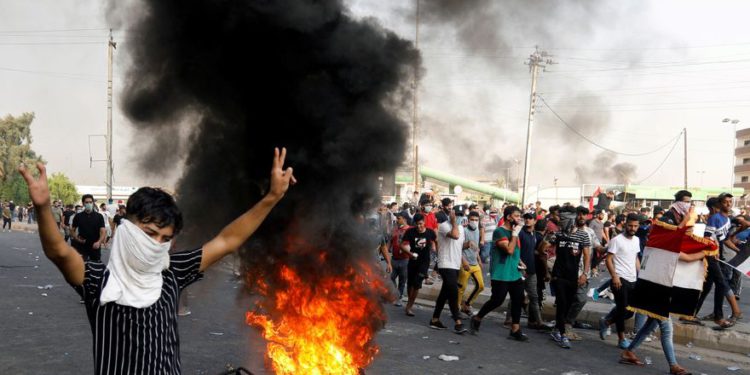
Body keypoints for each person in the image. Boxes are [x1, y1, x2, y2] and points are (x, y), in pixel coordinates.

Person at [18, 147, 295, 374]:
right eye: (149, 233)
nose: (156, 245)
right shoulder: (99, 282)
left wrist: (271, 198)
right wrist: (43, 208)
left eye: (165, 239)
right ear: (126, 225)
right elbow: (58, 252)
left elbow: (226, 241)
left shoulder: (172, 272)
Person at [469, 205, 529, 342]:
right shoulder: (499, 232)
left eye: (520, 216)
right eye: (516, 216)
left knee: (518, 299)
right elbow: (508, 250)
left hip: (514, 272)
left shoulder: (515, 232)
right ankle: (477, 318)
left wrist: (520, 261)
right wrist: (514, 234)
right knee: (497, 300)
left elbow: (514, 250)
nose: (519, 219)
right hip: (501, 274)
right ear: (508, 217)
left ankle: (515, 329)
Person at [549, 205, 591, 349]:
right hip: (559, 276)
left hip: (573, 277)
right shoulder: (557, 234)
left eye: (562, 219)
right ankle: (563, 335)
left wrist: (585, 273)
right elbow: (543, 248)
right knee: (561, 304)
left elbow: (587, 256)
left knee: (567, 305)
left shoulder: (583, 235)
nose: (559, 221)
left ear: (570, 219)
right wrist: (549, 269)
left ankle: (557, 330)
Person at [599, 213, 641, 349]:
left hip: (633, 279)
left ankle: (607, 322)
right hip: (619, 279)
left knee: (630, 312)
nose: (632, 228)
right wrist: (614, 276)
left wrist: (640, 275)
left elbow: (635, 258)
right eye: (630, 225)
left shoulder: (637, 240)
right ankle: (621, 339)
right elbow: (608, 259)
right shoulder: (617, 240)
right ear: (625, 224)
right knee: (622, 309)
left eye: (635, 226)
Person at [429, 199, 468, 334]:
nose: (459, 217)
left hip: (456, 264)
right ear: (452, 214)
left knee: (444, 293)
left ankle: (435, 319)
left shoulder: (461, 228)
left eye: (461, 215)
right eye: (457, 214)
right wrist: (452, 222)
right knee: (453, 292)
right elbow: (455, 236)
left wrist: (464, 259)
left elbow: (458, 246)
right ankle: (457, 322)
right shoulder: (445, 226)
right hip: (445, 263)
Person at [401, 213, 437, 317]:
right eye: (417, 224)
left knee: (417, 284)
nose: (419, 226)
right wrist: (410, 254)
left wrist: (435, 249)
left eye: (420, 224)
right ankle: (409, 301)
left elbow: (436, 240)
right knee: (410, 284)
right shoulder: (410, 232)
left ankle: (409, 306)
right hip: (412, 261)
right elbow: (402, 245)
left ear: (424, 222)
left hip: (424, 262)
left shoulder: (430, 232)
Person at [457, 211, 484, 316]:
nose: (474, 222)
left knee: (480, 286)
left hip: (475, 263)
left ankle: (467, 304)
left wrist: (479, 259)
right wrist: (463, 261)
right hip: (465, 262)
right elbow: (458, 247)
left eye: (476, 220)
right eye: (472, 220)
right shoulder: (463, 231)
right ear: (468, 220)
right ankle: (456, 309)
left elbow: (476, 247)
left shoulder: (477, 231)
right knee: (461, 288)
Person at [71, 194, 106, 262]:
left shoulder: (99, 216)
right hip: (82, 245)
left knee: (95, 266)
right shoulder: (78, 216)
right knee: (83, 267)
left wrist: (99, 242)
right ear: (83, 203)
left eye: (90, 202)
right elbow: (72, 230)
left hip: (95, 245)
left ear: (93, 203)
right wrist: (77, 239)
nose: (89, 204)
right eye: (86, 202)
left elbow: (103, 231)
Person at [389, 212, 411, 307]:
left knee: (402, 280)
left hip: (405, 260)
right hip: (394, 259)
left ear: (405, 219)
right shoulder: (395, 229)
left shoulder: (410, 230)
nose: (397, 220)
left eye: (399, 218)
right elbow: (390, 241)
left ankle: (399, 297)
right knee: (391, 278)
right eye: (397, 218)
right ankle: (396, 294)